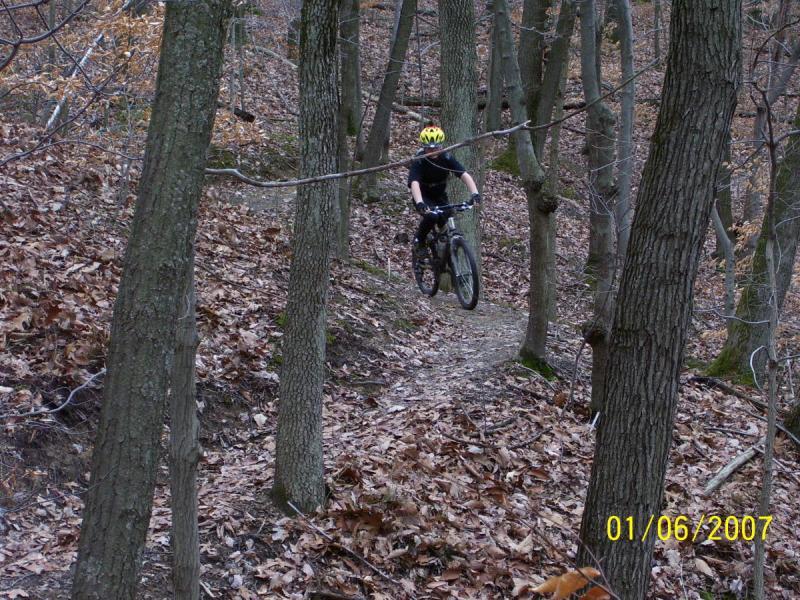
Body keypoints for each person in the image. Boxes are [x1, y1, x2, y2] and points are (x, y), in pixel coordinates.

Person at [408, 124, 481, 258]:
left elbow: (463, 174)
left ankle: (444, 254)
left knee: (446, 216)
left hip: (440, 196)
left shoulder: (446, 158)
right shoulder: (419, 161)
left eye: (435, 147)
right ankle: (420, 241)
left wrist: (475, 194)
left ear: (440, 145)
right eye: (428, 148)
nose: (432, 151)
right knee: (432, 216)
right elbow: (414, 183)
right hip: (424, 197)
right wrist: (419, 203)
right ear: (424, 147)